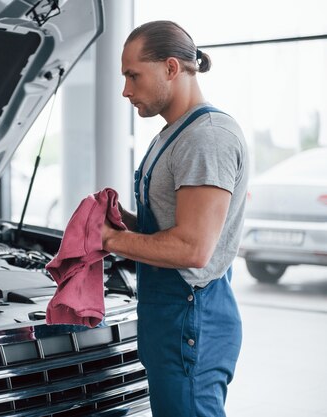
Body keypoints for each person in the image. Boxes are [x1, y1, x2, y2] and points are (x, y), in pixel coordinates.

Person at [101, 21, 248, 417]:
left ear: (170, 68)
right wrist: (122, 222)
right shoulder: (171, 134)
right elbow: (168, 226)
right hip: (170, 321)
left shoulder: (208, 138)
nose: (126, 90)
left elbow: (193, 247)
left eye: (133, 75)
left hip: (192, 321)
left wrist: (109, 240)